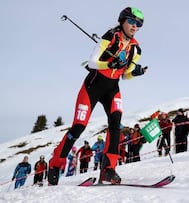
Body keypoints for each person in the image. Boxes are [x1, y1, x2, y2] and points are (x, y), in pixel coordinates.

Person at [48, 7, 147, 185]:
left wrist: (136, 72)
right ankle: (55, 165)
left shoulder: (136, 50)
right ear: (122, 20)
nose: (135, 26)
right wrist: (111, 63)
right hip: (92, 87)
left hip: (112, 89)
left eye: (138, 24)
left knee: (116, 122)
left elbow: (125, 75)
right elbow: (93, 62)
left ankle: (109, 169)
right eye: (132, 21)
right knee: (78, 127)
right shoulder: (110, 36)